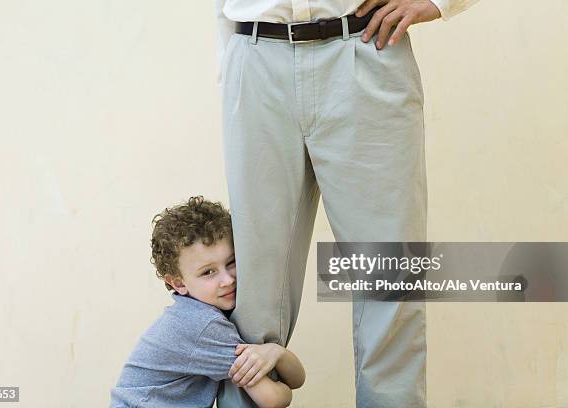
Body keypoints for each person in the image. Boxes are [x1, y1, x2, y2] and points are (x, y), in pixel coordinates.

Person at [215, 0, 480, 406]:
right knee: (250, 289)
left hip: (364, 48)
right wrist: (230, 68)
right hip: (254, 58)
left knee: (389, 276)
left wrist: (440, 3)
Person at [110, 197, 305, 408]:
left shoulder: (191, 314)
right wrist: (277, 361)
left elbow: (297, 380)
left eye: (231, 262)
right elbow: (273, 400)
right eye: (208, 272)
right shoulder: (203, 325)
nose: (228, 280)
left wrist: (275, 352)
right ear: (178, 283)